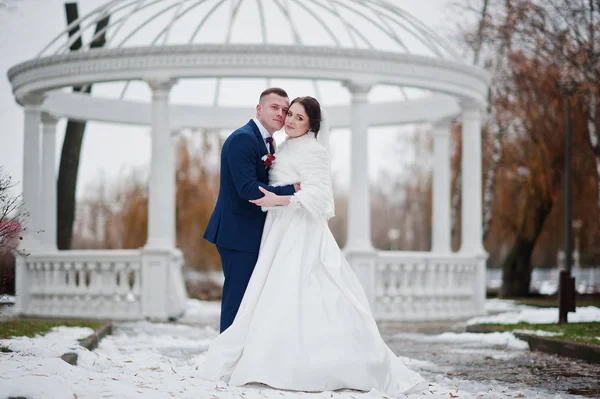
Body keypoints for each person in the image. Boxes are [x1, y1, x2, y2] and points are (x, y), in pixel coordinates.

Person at [200, 96, 428, 397]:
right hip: (275, 230)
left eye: (298, 117)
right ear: (261, 110)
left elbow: (320, 196)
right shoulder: (279, 146)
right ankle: (258, 355)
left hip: (298, 230)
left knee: (299, 290)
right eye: (288, 114)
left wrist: (279, 199)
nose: (289, 120)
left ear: (312, 125)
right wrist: (282, 194)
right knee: (269, 295)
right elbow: (253, 186)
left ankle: (307, 362)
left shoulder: (314, 151)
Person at [203, 87, 299, 333]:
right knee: (237, 301)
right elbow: (247, 189)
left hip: (251, 234)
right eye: (274, 107)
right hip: (237, 234)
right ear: (259, 109)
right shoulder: (243, 139)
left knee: (249, 302)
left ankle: (240, 359)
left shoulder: (269, 143)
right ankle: (225, 363)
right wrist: (293, 190)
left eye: (285, 110)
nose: (280, 113)